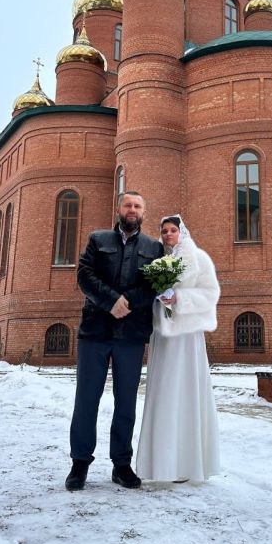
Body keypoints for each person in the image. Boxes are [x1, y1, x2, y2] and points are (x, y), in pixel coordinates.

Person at [65, 191, 164, 491]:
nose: (132, 209)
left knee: (126, 402)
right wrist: (110, 301)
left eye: (138, 206)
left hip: (131, 336)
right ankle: (80, 463)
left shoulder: (154, 248)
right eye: (128, 205)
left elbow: (154, 285)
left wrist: (126, 303)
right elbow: (84, 276)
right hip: (94, 333)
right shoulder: (98, 240)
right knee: (86, 400)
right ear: (118, 209)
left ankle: (121, 464)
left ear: (144, 212)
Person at [136, 215, 221, 483]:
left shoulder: (199, 259)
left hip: (187, 336)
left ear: (182, 232)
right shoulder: (157, 262)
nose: (168, 234)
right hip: (164, 336)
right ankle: (161, 466)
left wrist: (179, 298)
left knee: (186, 390)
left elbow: (210, 294)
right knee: (164, 391)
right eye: (164, 231)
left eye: (173, 230)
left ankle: (187, 465)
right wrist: (158, 298)